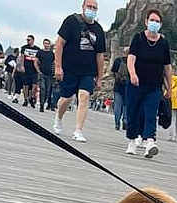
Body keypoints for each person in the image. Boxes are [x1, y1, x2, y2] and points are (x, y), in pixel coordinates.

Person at [54, 0, 107, 142]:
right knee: (66, 99)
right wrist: (58, 66)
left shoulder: (98, 30)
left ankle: (78, 130)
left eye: (94, 8)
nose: (92, 10)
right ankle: (59, 117)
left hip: (88, 71)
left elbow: (100, 55)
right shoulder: (71, 21)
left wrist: (100, 77)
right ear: (83, 7)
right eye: (89, 7)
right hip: (70, 68)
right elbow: (59, 44)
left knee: (84, 96)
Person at [125, 9, 172, 158]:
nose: (154, 23)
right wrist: (132, 74)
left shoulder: (163, 43)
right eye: (152, 20)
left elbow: (167, 67)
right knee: (133, 112)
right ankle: (132, 141)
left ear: (161, 24)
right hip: (136, 84)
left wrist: (170, 87)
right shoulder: (138, 38)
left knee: (151, 113)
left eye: (157, 21)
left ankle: (150, 142)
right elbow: (131, 58)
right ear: (146, 22)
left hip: (154, 86)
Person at [111, 48, 129, 131]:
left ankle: (117, 123)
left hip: (118, 86)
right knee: (126, 105)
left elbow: (113, 72)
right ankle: (125, 120)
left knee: (117, 106)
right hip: (128, 86)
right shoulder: (132, 61)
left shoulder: (117, 60)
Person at [20, 35, 40, 107]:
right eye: (27, 40)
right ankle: (25, 99)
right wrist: (22, 66)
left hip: (34, 69)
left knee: (34, 85)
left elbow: (38, 59)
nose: (28, 41)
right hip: (26, 68)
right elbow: (22, 57)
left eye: (29, 40)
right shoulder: (24, 48)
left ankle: (31, 97)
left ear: (33, 40)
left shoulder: (37, 49)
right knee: (26, 85)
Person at [37, 38, 55, 112]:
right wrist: (38, 71)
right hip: (42, 73)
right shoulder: (40, 52)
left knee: (47, 91)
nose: (46, 45)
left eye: (48, 43)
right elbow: (36, 61)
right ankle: (41, 105)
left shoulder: (52, 54)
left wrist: (54, 72)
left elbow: (54, 63)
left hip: (49, 75)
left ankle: (43, 102)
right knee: (43, 89)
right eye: (45, 43)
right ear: (43, 44)